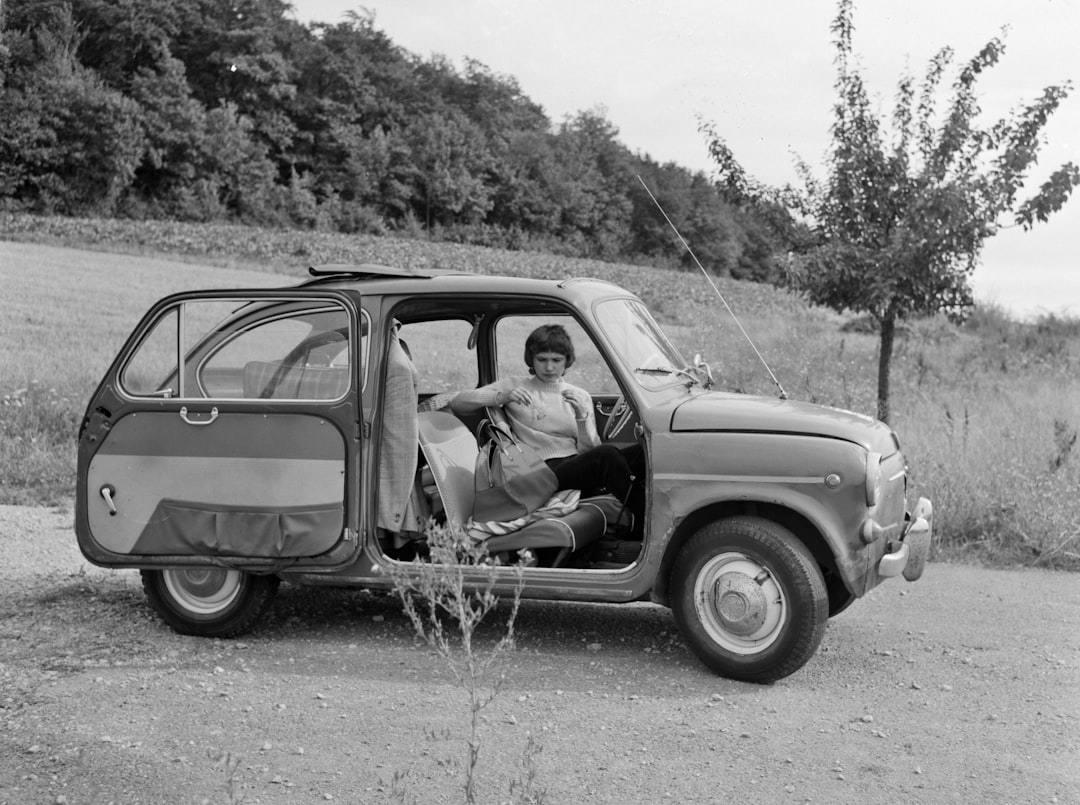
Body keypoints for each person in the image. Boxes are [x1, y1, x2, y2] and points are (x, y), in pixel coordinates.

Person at [449, 323, 639, 509]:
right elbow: (458, 402)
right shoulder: (515, 386)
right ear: (531, 359)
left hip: (576, 463)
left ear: (567, 361)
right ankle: (641, 520)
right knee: (607, 456)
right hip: (541, 470)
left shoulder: (580, 395)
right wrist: (501, 396)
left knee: (641, 454)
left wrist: (582, 417)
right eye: (542, 359)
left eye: (556, 360)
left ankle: (642, 521)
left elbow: (590, 450)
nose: (549, 367)